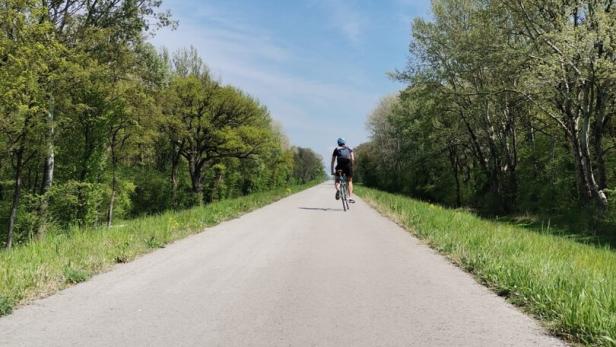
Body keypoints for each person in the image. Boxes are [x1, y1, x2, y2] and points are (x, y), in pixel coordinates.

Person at [331, 137, 355, 204]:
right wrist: (351, 167)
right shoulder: (349, 148)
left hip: (340, 166)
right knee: (349, 181)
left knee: (337, 180)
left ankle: (338, 190)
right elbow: (353, 159)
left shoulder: (336, 149)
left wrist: (332, 171)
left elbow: (333, 161)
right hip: (348, 166)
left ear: (338, 143)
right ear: (344, 142)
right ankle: (350, 198)